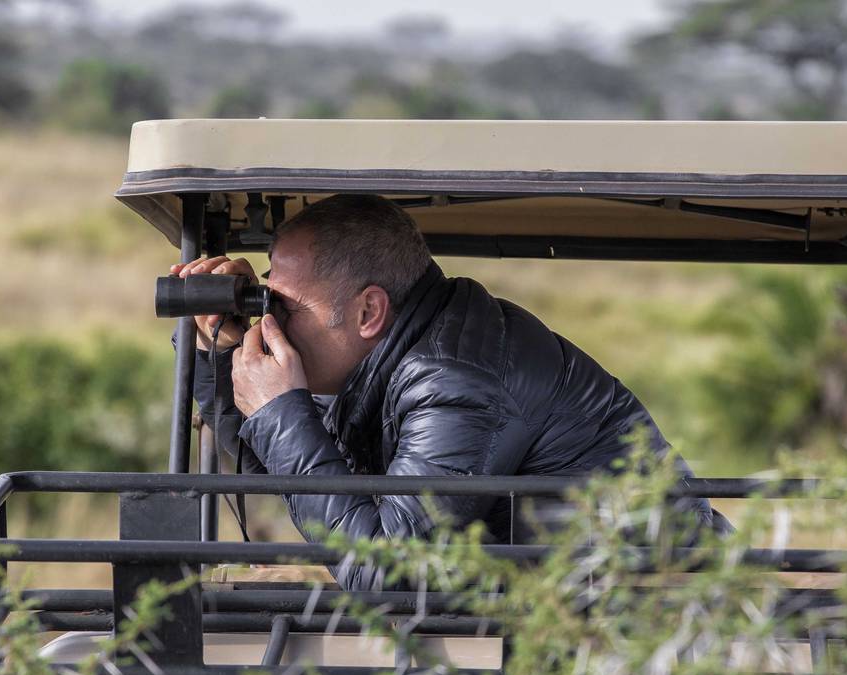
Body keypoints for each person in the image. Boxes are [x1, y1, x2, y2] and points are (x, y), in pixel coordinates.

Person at [173, 194, 721, 591]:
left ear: (368, 312)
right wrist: (217, 351)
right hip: (567, 609)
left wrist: (281, 412)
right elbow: (275, 467)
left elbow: (383, 570)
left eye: (283, 304)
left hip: (654, 617)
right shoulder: (389, 357)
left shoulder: (454, 380)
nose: (272, 319)